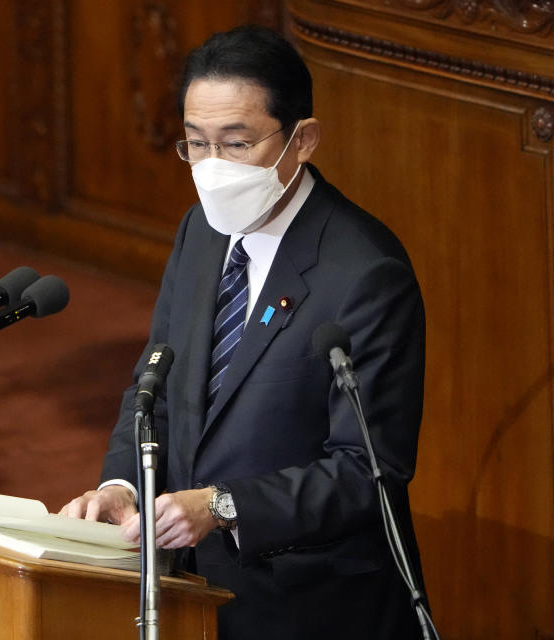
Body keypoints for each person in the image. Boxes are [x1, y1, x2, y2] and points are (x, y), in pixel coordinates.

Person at [60, 25, 427, 640]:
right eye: (195, 145)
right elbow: (154, 385)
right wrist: (122, 484)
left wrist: (222, 505)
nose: (212, 170)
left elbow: (369, 470)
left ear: (301, 139)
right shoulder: (199, 233)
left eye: (235, 145)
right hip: (191, 590)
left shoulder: (366, 273)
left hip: (310, 602)